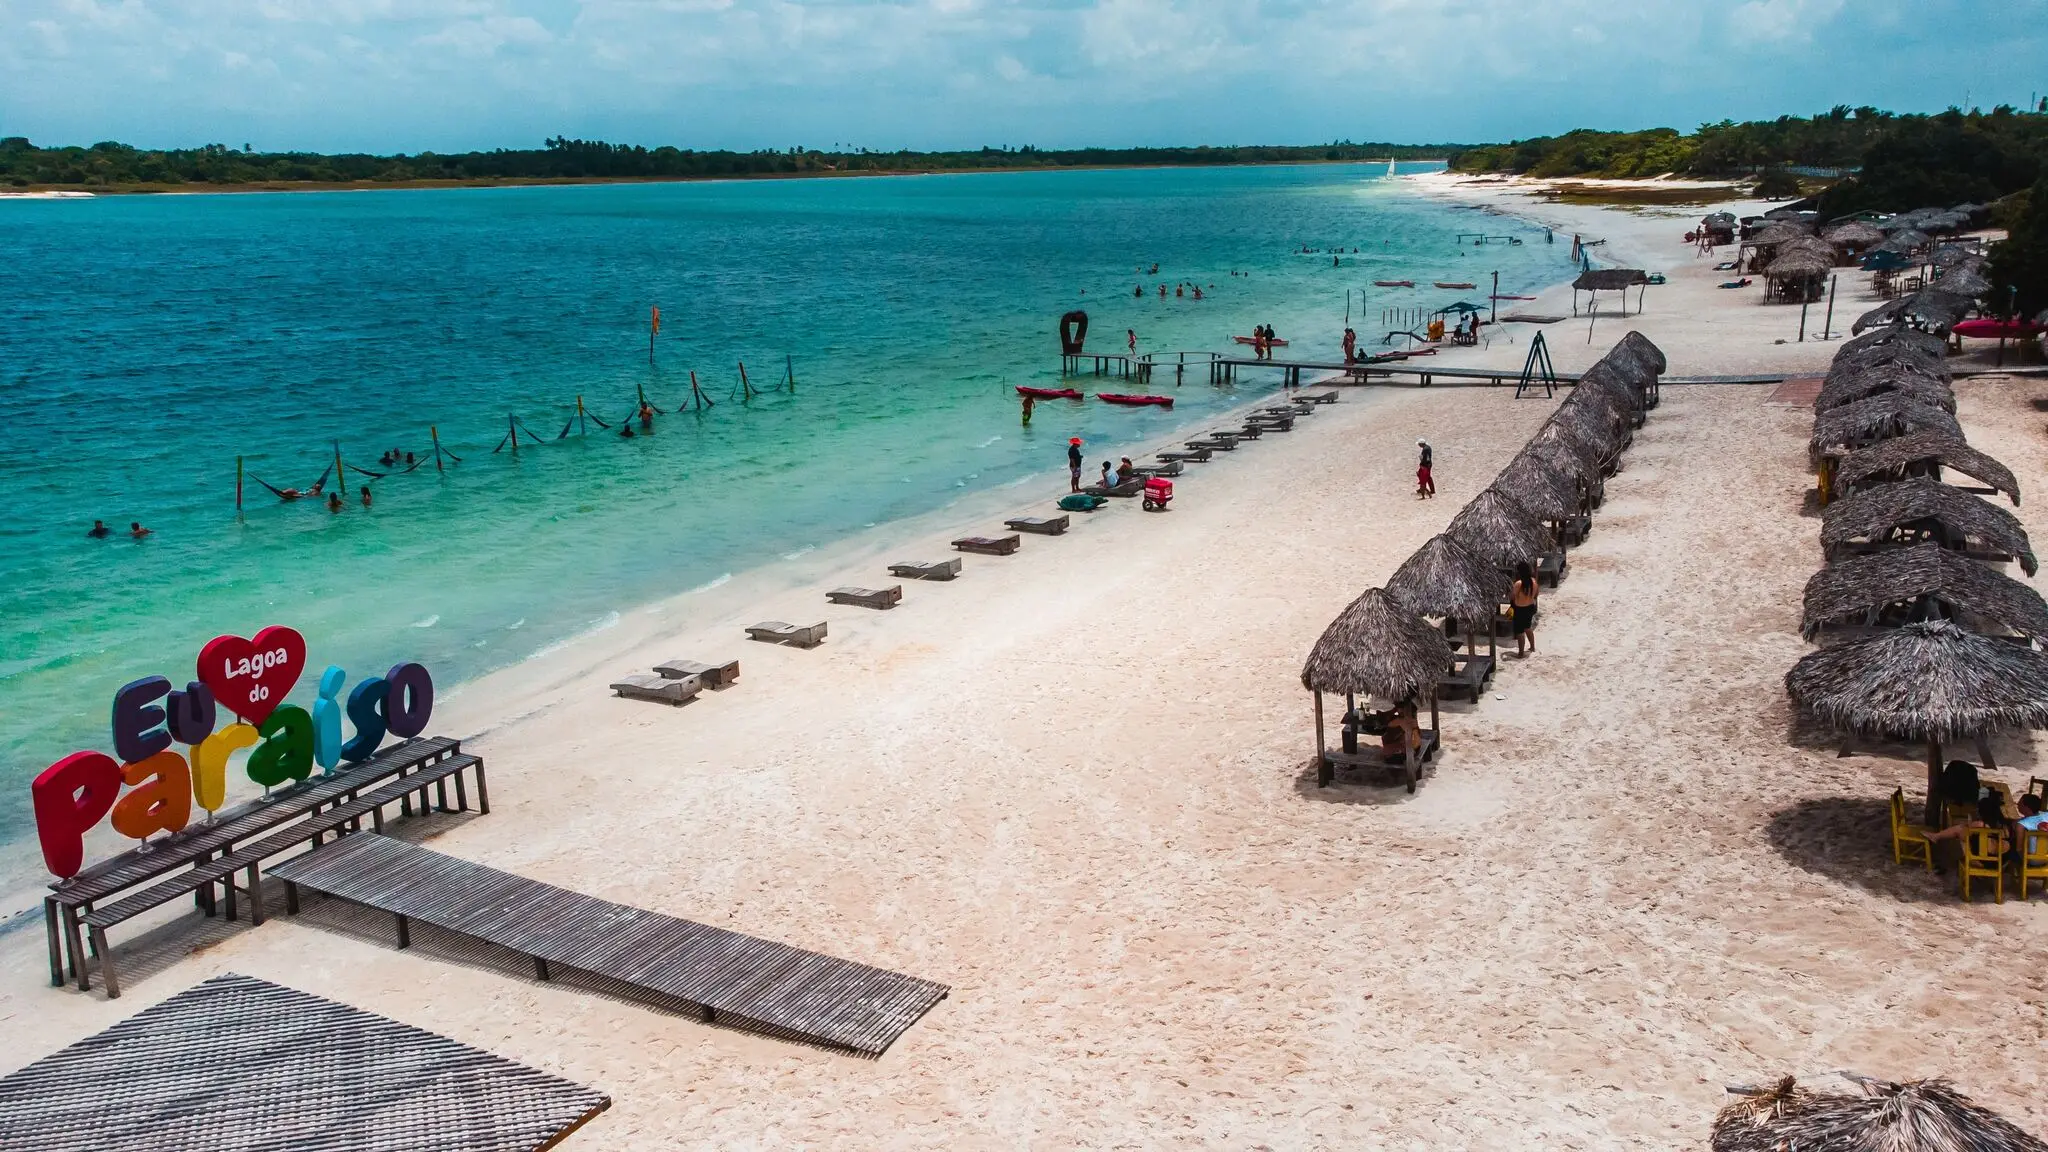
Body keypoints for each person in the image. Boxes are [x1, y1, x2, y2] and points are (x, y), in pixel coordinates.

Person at [1510, 560, 1539, 657]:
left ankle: (1521, 653)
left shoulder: (1518, 584)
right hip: (1530, 607)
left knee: (1519, 632)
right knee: (1527, 627)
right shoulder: (1534, 582)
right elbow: (1536, 595)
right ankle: (1532, 646)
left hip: (1519, 609)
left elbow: (1512, 597)